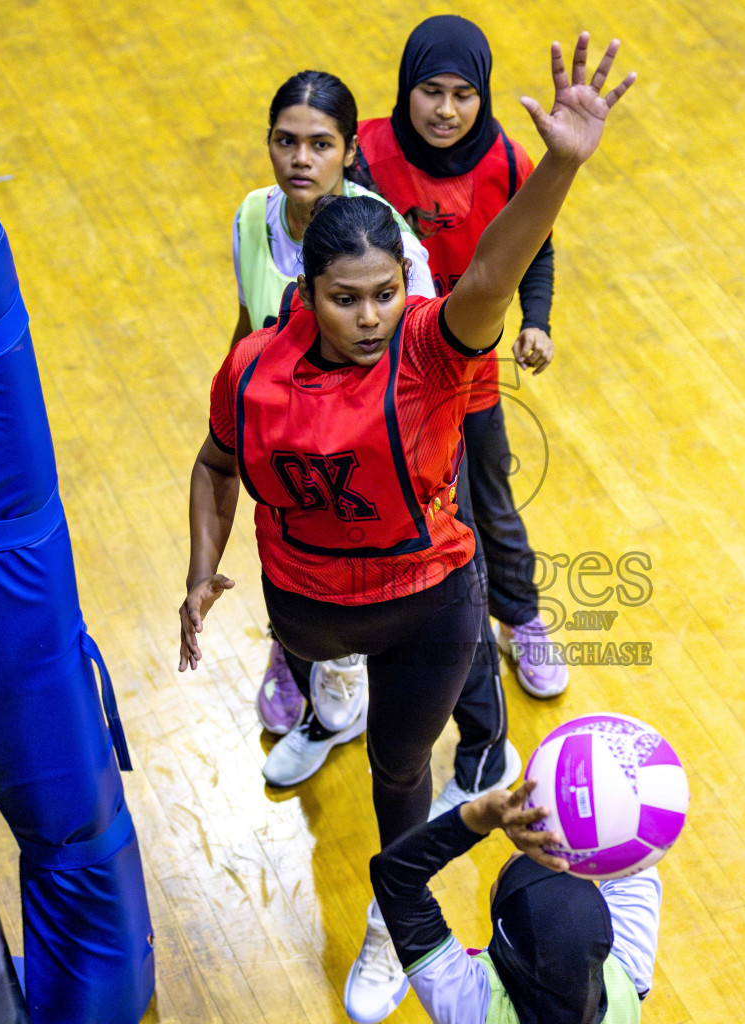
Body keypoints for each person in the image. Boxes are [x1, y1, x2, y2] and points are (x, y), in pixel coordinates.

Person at [180, 32, 635, 1022]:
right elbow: (216, 463)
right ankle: (325, 701)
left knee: (400, 775)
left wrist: (560, 163)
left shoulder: (428, 351)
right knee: (323, 680)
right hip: (306, 607)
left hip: (425, 607)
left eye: (388, 293)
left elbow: (491, 277)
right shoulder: (252, 363)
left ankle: (395, 928)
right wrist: (198, 571)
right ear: (307, 295)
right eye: (348, 299)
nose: (373, 314)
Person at [231, 69, 439, 783]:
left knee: (413, 604)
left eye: (320, 143)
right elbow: (248, 323)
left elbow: (425, 364)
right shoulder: (250, 218)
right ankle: (311, 673)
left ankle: (463, 728)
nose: (301, 159)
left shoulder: (393, 245)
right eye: (286, 141)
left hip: (378, 460)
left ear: (349, 152)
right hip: (294, 447)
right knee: (295, 576)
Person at [356, 15, 569, 701]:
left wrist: (535, 321)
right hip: (390, 383)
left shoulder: (508, 162)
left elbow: (535, 247)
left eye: (463, 94)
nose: (446, 110)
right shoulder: (364, 156)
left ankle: (521, 619)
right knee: (407, 518)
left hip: (470, 376)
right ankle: (382, 643)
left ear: (483, 96)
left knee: (493, 507)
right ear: (404, 88)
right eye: (430, 91)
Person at [370, 780, 662, 1023]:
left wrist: (480, 815)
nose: (516, 852)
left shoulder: (475, 1009)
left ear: (504, 928)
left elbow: (394, 878)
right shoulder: (626, 971)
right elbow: (634, 846)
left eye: (506, 870)